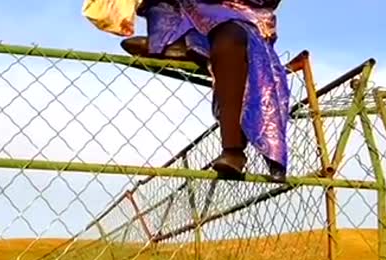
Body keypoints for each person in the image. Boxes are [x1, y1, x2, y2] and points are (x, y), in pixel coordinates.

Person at [121, 0, 289, 180]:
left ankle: (233, 151)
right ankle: (171, 40)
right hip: (187, 9)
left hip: (239, 14)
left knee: (231, 39)